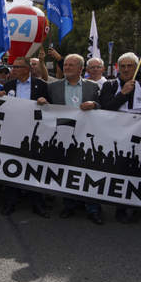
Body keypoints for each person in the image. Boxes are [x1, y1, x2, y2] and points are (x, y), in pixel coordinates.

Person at [38, 54, 103, 224]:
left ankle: (93, 208)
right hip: (64, 135)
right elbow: (47, 107)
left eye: (71, 65)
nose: (66, 68)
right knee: (67, 170)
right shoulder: (54, 87)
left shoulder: (93, 87)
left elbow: (104, 108)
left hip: (86, 136)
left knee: (88, 171)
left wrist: (95, 105)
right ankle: (69, 205)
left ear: (81, 69)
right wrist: (43, 101)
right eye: (65, 65)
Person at [98, 52, 141, 223]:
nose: (125, 69)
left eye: (129, 66)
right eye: (122, 66)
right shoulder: (110, 85)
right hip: (117, 134)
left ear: (136, 67)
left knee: (138, 169)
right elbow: (106, 107)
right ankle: (120, 207)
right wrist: (122, 94)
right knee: (120, 169)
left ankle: (138, 207)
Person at [0, 56, 51, 217]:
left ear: (27, 69)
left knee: (34, 167)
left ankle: (37, 203)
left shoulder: (41, 86)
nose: (13, 69)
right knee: (11, 166)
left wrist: (45, 101)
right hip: (13, 132)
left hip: (34, 133)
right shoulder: (8, 86)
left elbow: (51, 107)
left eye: (17, 67)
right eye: (13, 67)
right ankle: (10, 202)